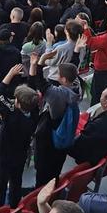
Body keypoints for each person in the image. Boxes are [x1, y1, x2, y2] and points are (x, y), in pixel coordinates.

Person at [30, 51, 82, 187]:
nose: (57, 76)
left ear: (64, 79)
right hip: (62, 139)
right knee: (55, 170)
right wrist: (75, 53)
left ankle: (40, 197)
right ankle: (54, 188)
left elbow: (40, 83)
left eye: (59, 74)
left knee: (43, 174)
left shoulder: (59, 95)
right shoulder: (77, 88)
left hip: (50, 139)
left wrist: (40, 62)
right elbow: (73, 68)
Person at [0, 80, 39, 207]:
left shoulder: (12, 114)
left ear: (17, 102)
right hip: (21, 155)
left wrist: (10, 75)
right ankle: (14, 208)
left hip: (4, 157)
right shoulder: (35, 115)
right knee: (16, 182)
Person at [69, 87, 107, 165]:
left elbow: (80, 144)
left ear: (106, 103)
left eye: (101, 96)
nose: (100, 98)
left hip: (95, 156)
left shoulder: (98, 125)